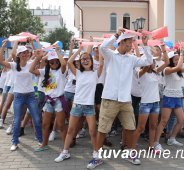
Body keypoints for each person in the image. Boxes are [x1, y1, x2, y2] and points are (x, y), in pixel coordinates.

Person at [89, 27, 153, 169]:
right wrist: (116, 34)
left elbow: (148, 61)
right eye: (130, 43)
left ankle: (130, 153)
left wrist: (145, 44)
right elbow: (103, 47)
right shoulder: (110, 55)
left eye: (131, 43)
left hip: (125, 100)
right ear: (122, 43)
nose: (131, 45)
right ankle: (96, 157)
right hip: (109, 98)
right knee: (103, 129)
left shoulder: (132, 59)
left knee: (130, 127)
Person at [54, 45, 103, 169]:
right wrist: (80, 51)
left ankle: (96, 156)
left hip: (89, 107)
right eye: (83, 59)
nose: (85, 60)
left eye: (88, 59)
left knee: (92, 132)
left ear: (91, 61)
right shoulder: (78, 73)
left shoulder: (95, 73)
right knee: (71, 130)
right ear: (80, 62)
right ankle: (65, 152)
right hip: (77, 105)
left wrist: (100, 49)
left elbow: (101, 63)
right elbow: (69, 61)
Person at [0, 41, 42, 151]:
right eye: (22, 53)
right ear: (18, 55)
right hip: (18, 96)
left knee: (36, 118)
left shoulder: (30, 63)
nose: (25, 54)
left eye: (26, 53)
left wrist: (33, 42)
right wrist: (3, 47)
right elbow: (1, 61)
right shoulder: (14, 65)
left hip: (30, 96)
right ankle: (14, 141)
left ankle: (40, 140)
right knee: (17, 119)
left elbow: (39, 55)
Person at [154, 49, 184, 151]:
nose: (177, 61)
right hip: (168, 97)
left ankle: (172, 139)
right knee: (163, 121)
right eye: (175, 59)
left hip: (178, 97)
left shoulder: (180, 70)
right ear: (171, 60)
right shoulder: (167, 69)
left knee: (182, 120)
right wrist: (181, 54)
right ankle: (156, 143)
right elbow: (178, 67)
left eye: (178, 59)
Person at [132, 44, 169, 153]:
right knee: (140, 128)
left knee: (153, 126)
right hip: (145, 104)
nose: (154, 63)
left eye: (154, 62)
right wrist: (145, 46)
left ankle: (151, 146)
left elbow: (166, 62)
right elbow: (146, 62)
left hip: (155, 103)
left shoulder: (156, 72)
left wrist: (163, 48)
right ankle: (131, 149)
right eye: (151, 62)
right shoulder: (140, 73)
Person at [29, 47, 67, 152]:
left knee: (61, 125)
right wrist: (38, 58)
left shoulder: (62, 71)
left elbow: (64, 64)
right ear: (48, 63)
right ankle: (44, 144)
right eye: (51, 62)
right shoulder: (44, 71)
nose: (54, 63)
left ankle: (65, 149)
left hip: (59, 101)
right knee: (45, 124)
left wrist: (58, 52)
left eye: (56, 61)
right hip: (49, 101)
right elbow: (31, 70)